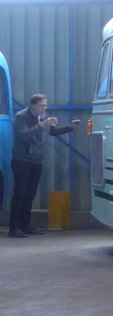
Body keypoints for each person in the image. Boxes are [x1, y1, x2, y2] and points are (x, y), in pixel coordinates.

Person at [9, 94, 79, 238]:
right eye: (41, 105)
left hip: (37, 160)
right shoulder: (21, 116)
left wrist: (70, 127)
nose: (44, 108)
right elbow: (24, 135)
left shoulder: (44, 116)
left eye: (45, 105)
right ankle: (14, 227)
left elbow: (52, 132)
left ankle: (26, 225)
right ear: (32, 104)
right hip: (22, 160)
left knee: (30, 194)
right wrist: (42, 124)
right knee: (20, 194)